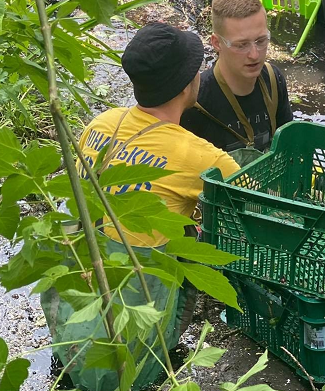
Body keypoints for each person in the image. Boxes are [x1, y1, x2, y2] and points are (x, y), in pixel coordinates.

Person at [43, 23, 240, 391]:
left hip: (85, 284)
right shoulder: (198, 156)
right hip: (137, 308)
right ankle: (158, 351)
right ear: (185, 85)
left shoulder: (102, 124)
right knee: (187, 238)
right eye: (197, 67)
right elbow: (258, 200)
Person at [181, 0, 293, 158]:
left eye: (261, 41)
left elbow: (288, 146)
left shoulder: (273, 80)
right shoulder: (195, 102)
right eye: (242, 45)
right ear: (217, 43)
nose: (254, 55)